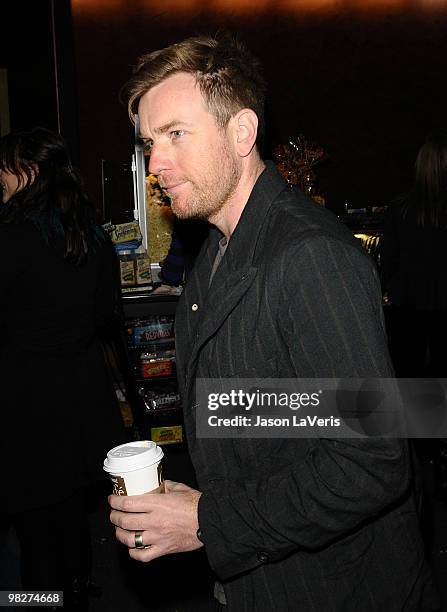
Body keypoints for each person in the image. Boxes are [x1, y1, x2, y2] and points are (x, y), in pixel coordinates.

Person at [109, 34, 438, 611]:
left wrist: (211, 520)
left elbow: (371, 462)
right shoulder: (215, 252)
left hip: (342, 588)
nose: (156, 163)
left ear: (241, 132)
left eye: (176, 134)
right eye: (149, 142)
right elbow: (279, 412)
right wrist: (201, 500)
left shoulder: (311, 256)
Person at [0, 127, 125, 607]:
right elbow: (105, 317)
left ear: (28, 171)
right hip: (80, 396)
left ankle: (40, 601)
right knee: (70, 511)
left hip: (24, 403)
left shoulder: (10, 237)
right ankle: (75, 591)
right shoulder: (91, 235)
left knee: (34, 525)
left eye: (5, 167)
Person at [382, 131, 447, 378]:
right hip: (437, 304)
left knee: (409, 374)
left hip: (408, 302)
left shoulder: (401, 208)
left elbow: (388, 260)